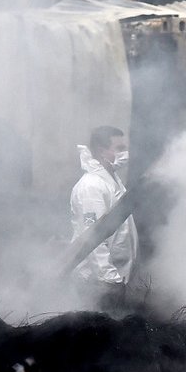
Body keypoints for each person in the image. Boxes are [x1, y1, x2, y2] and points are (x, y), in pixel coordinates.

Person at [69, 126, 138, 304]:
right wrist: (110, 281)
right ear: (101, 151)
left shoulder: (111, 181)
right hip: (96, 286)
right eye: (120, 149)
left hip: (112, 280)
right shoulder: (91, 186)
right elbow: (93, 239)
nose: (126, 154)